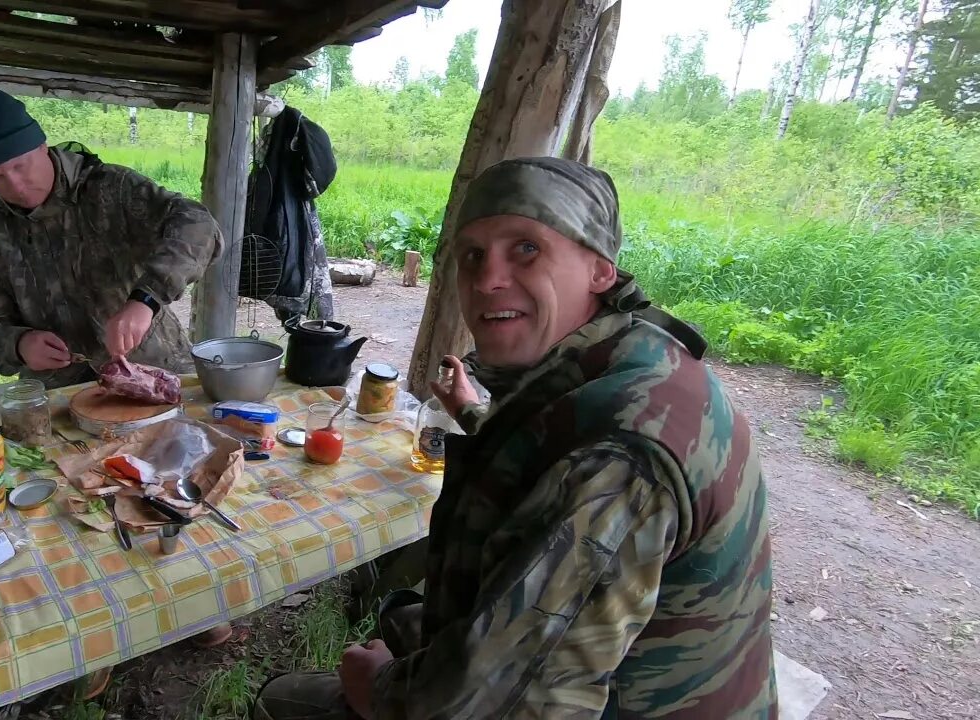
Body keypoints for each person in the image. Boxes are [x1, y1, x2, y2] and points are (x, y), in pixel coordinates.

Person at [253, 157, 778, 719]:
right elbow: (547, 464)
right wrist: (479, 417)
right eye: (472, 255)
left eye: (526, 248)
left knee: (283, 704)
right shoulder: (628, 354)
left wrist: (380, 687)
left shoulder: (619, 461)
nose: (487, 280)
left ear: (601, 270)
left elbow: (509, 707)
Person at [0, 87, 222, 387]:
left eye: (20, 166)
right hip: (61, 389)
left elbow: (199, 225)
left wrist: (146, 299)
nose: (15, 184)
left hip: (153, 372)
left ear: (41, 145)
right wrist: (20, 344)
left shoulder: (111, 189)